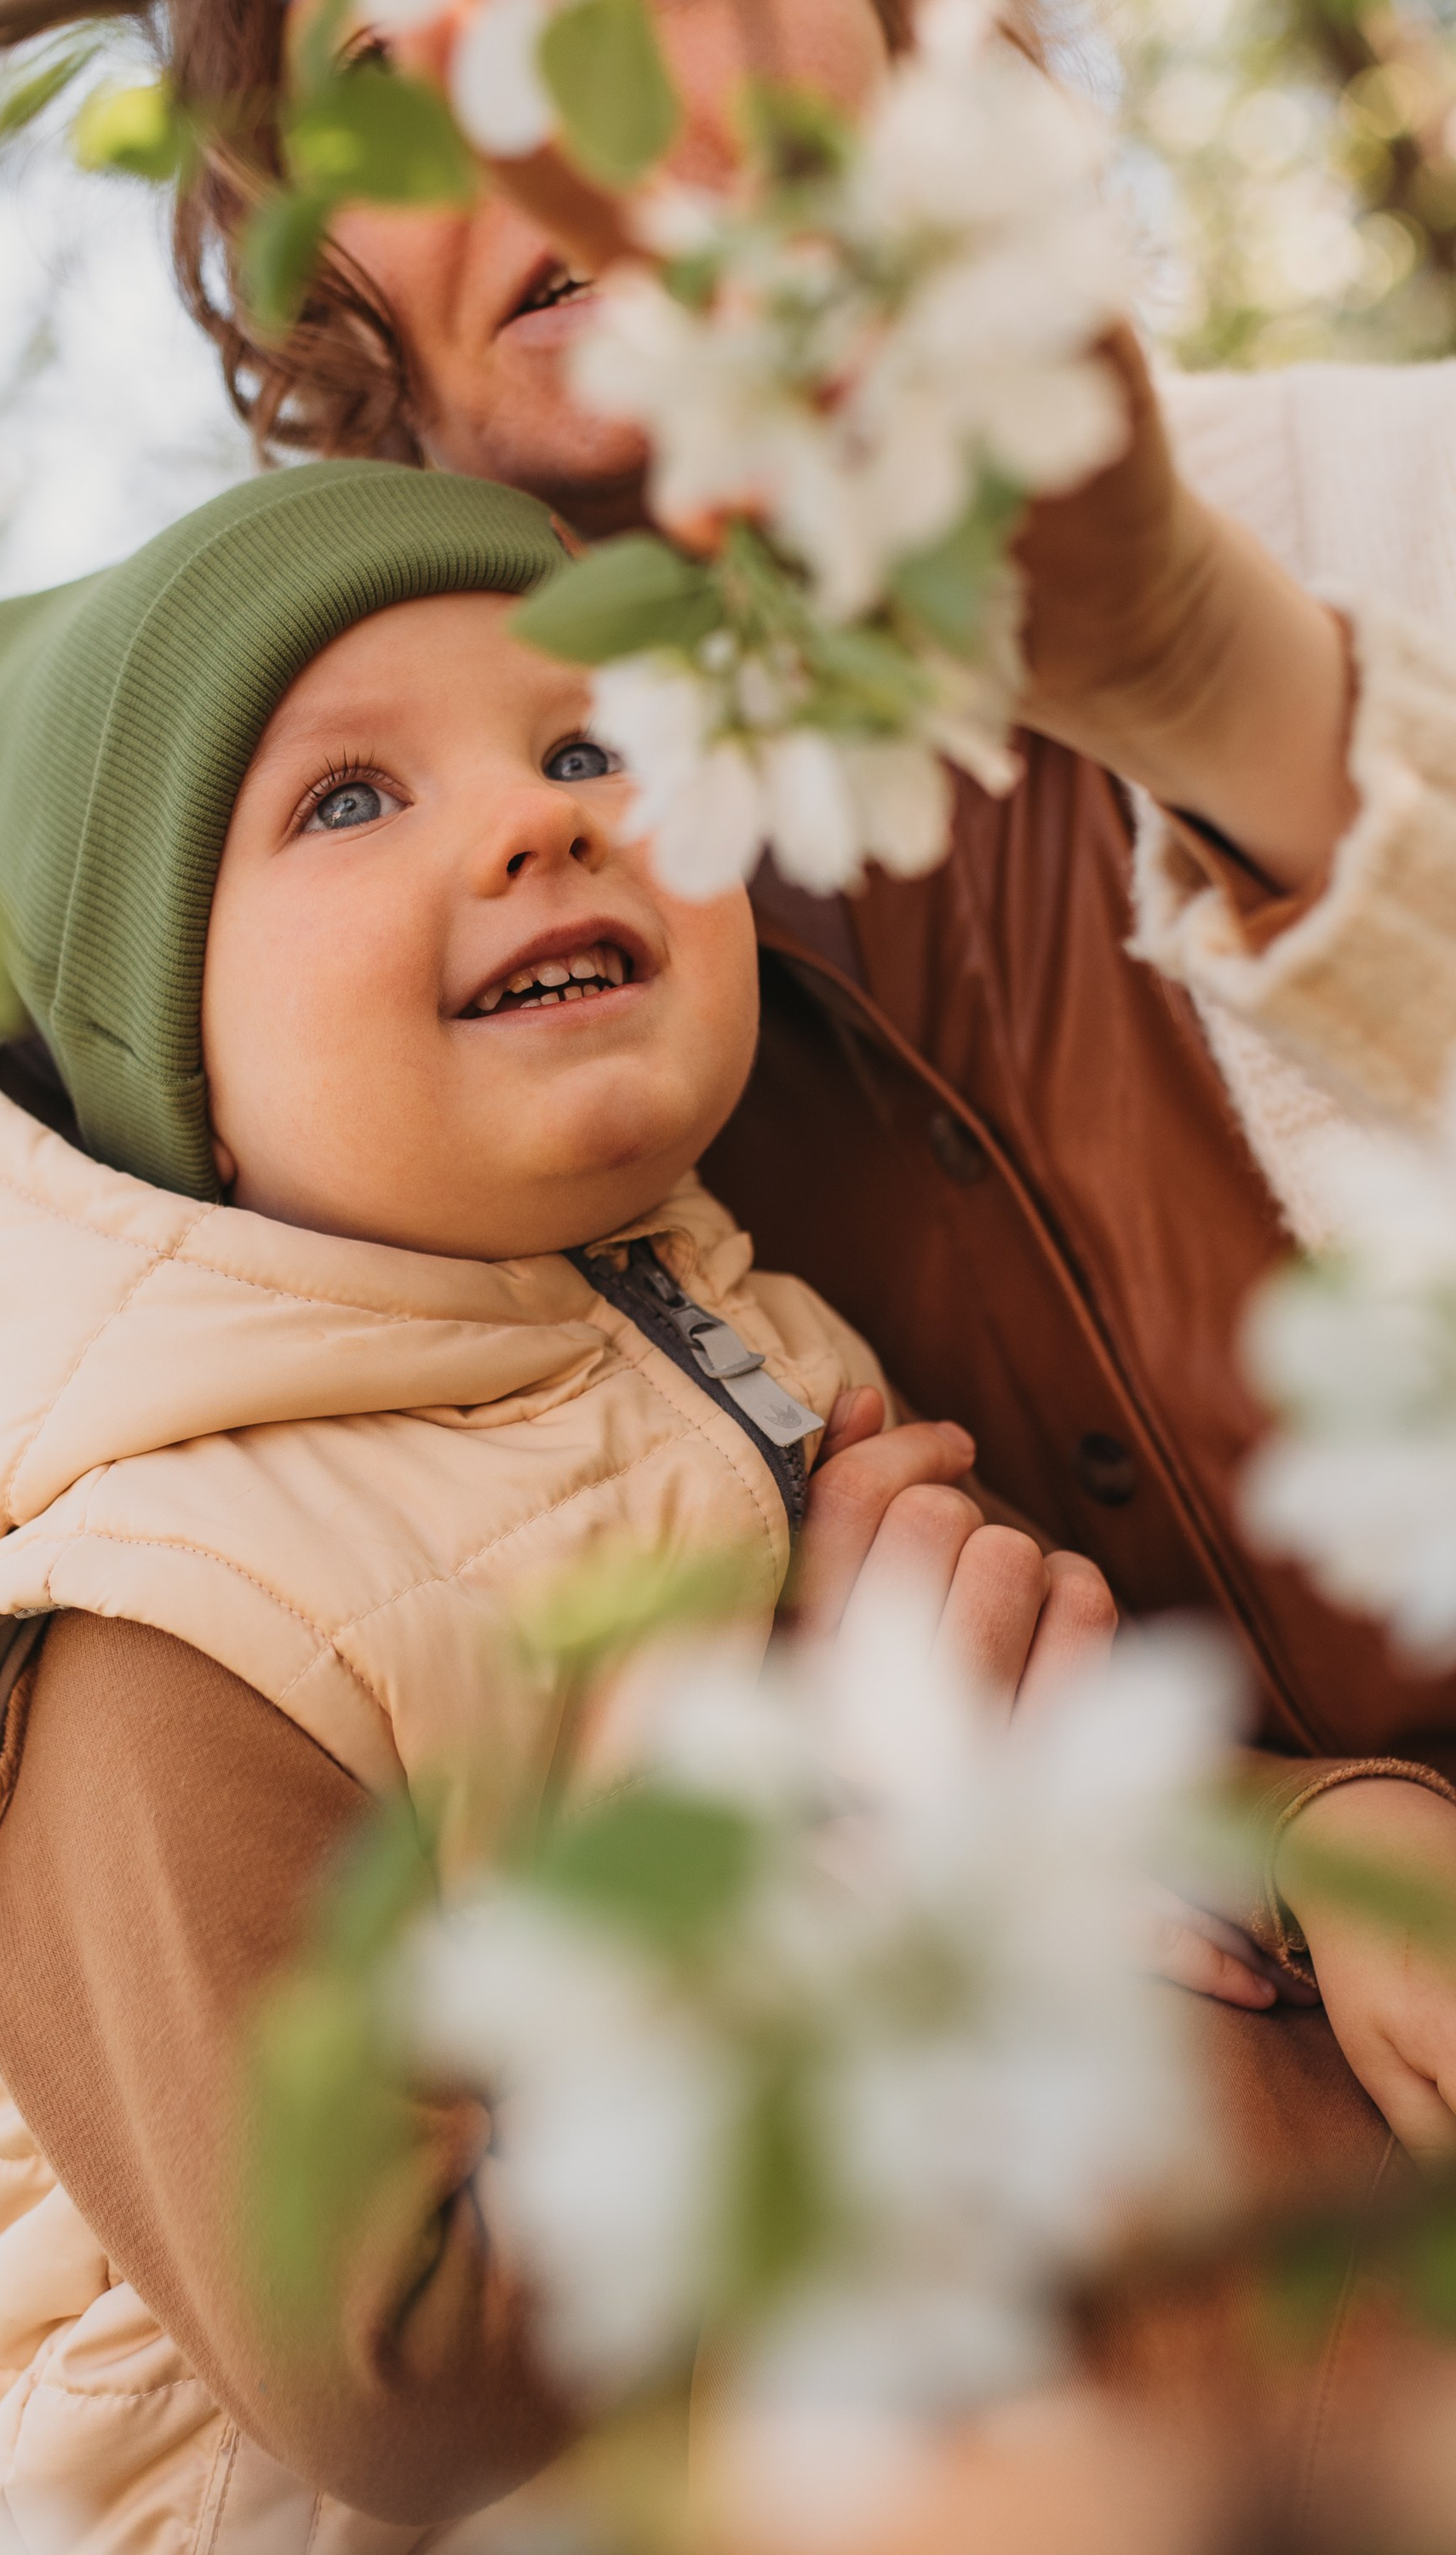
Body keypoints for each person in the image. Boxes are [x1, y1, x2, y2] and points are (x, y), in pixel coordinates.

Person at [165, 0, 1456, 2158]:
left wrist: (1208, 684)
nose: (529, 92)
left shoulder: (1403, 506)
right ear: (320, 262)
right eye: (390, 54)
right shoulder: (284, 980)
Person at [0, 460, 1126, 2552]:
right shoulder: (156, 1631)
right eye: (348, 799)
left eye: (594, 743)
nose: (548, 817)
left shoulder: (740, 1341)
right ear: (161, 1058)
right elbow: (405, 2379)